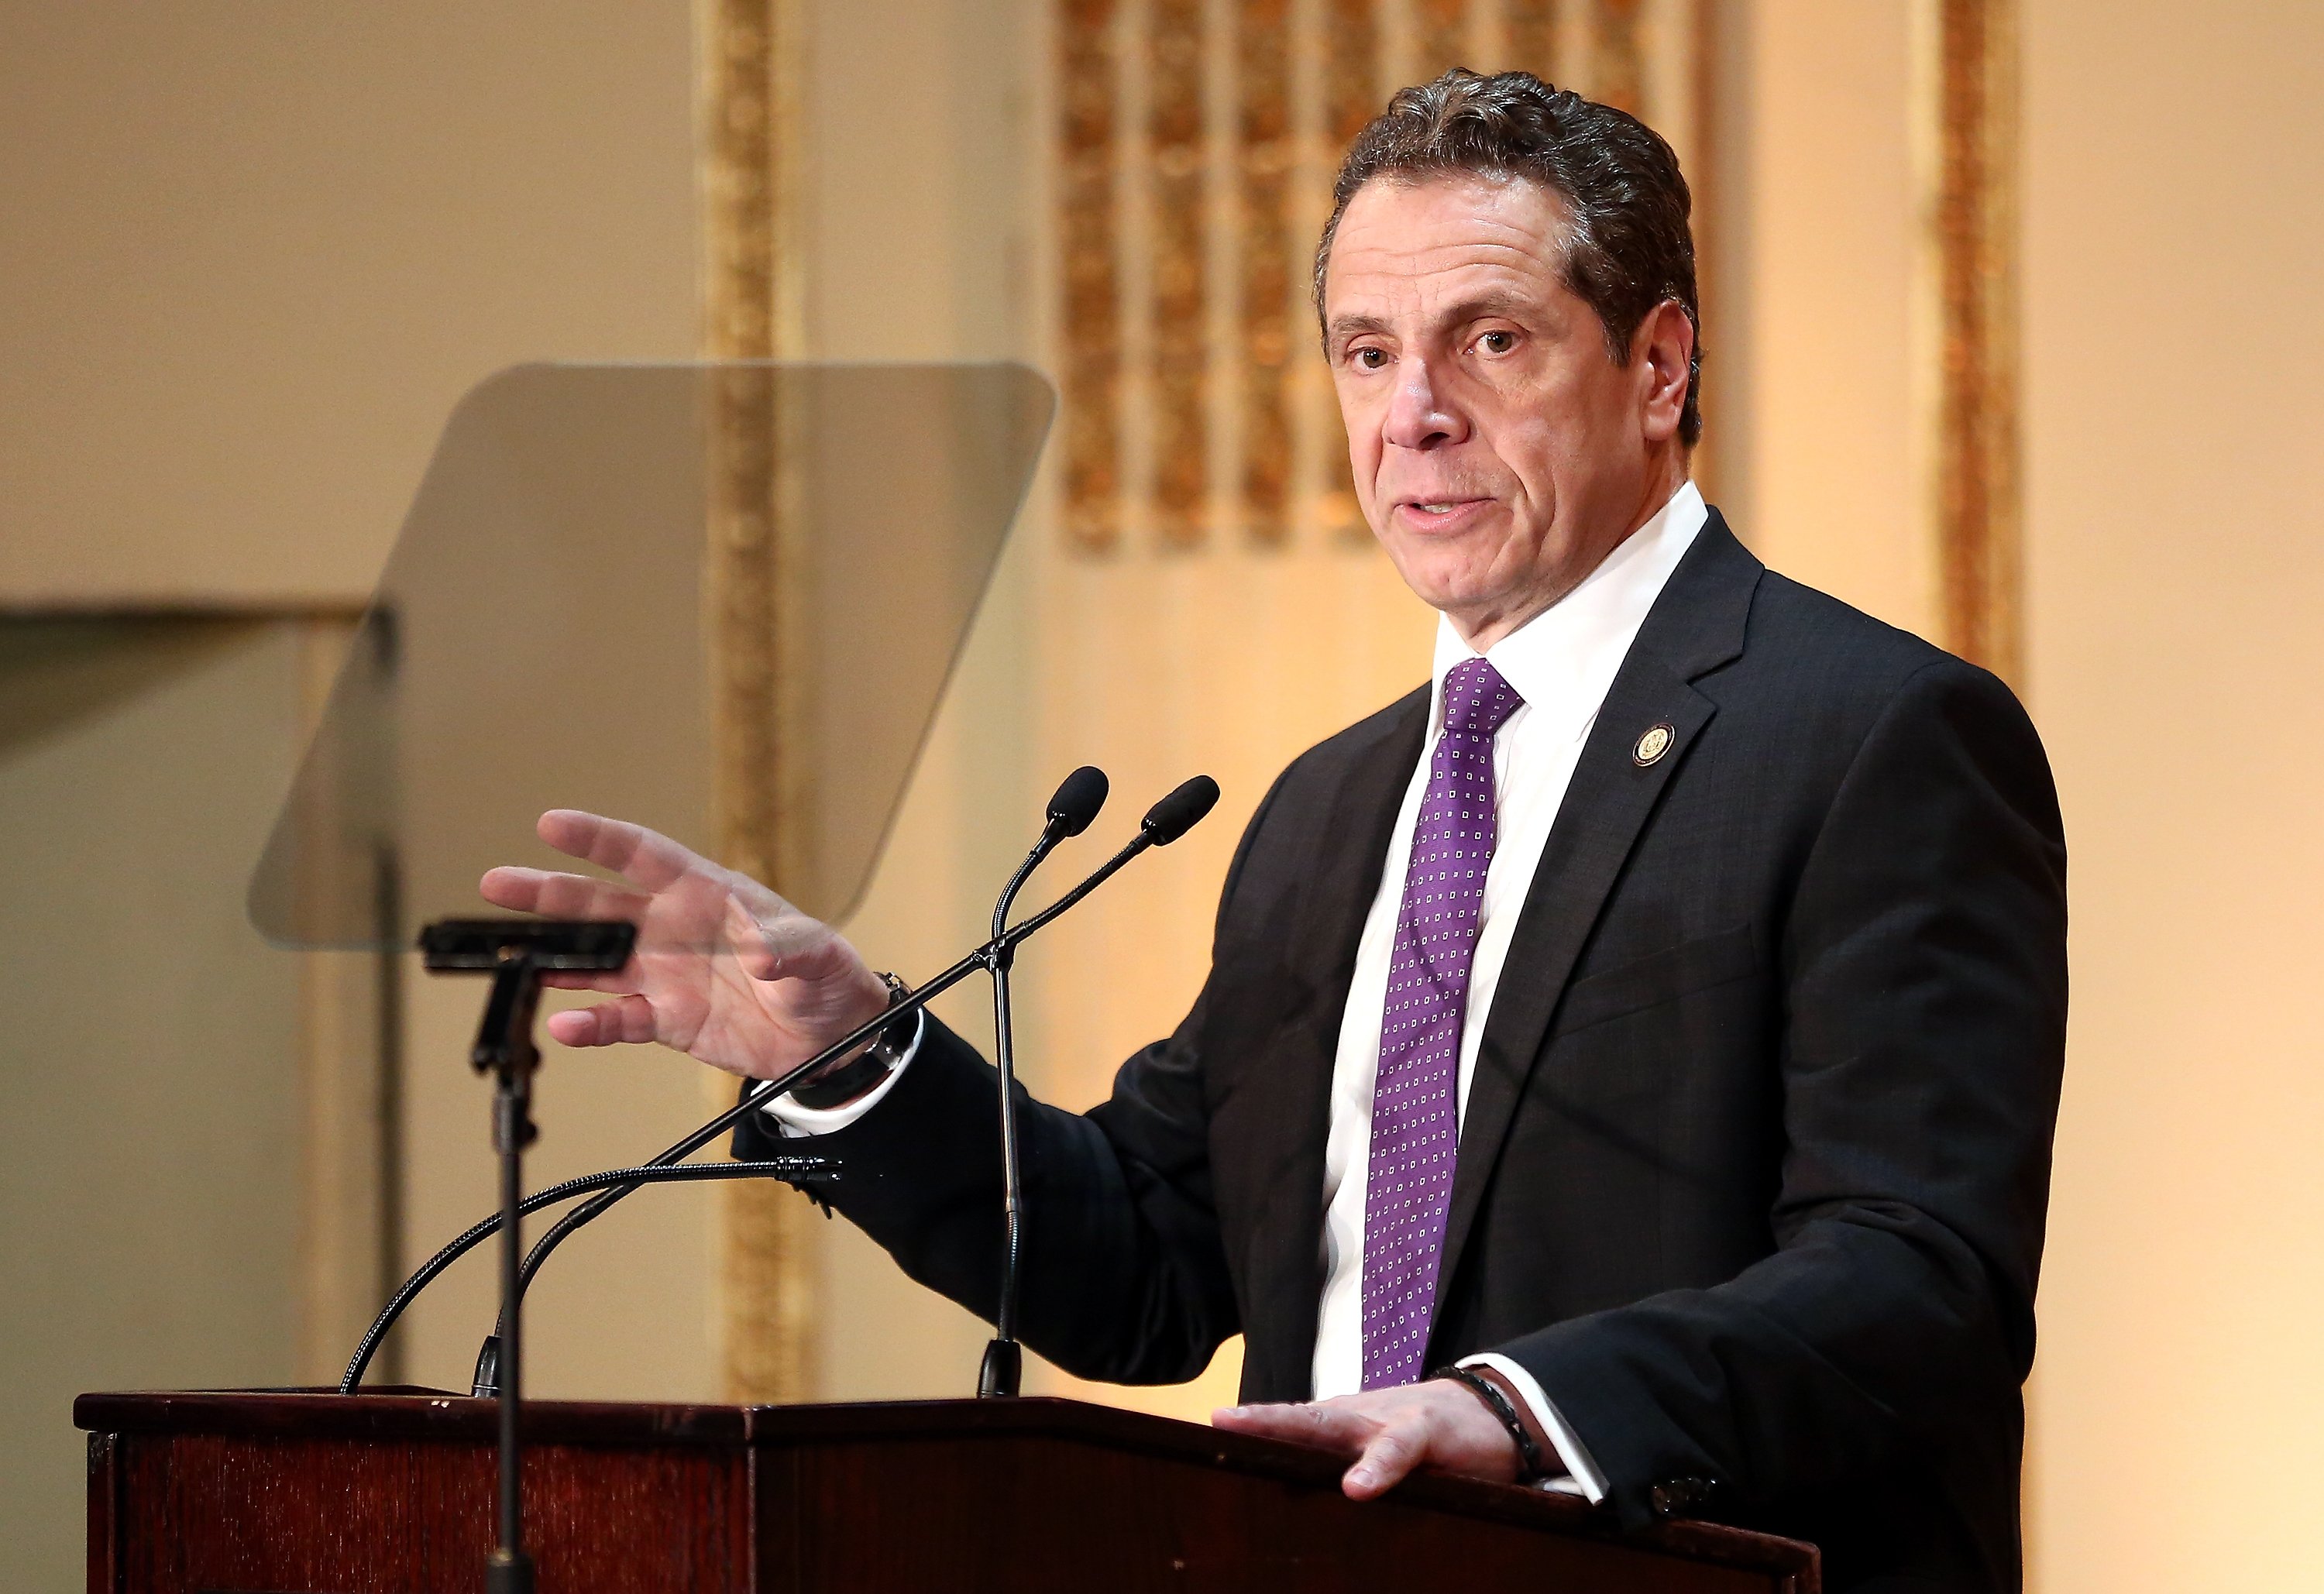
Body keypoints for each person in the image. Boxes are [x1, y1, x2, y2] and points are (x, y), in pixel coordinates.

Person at [482, 71, 2066, 1592]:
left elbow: (1915, 1281)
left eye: (1490, 340)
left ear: (1659, 369)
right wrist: (852, 1060)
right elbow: (1156, 1263)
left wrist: (1514, 1413)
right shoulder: (1335, 806)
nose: (1416, 416)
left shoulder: (1870, 735)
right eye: (1366, 355)